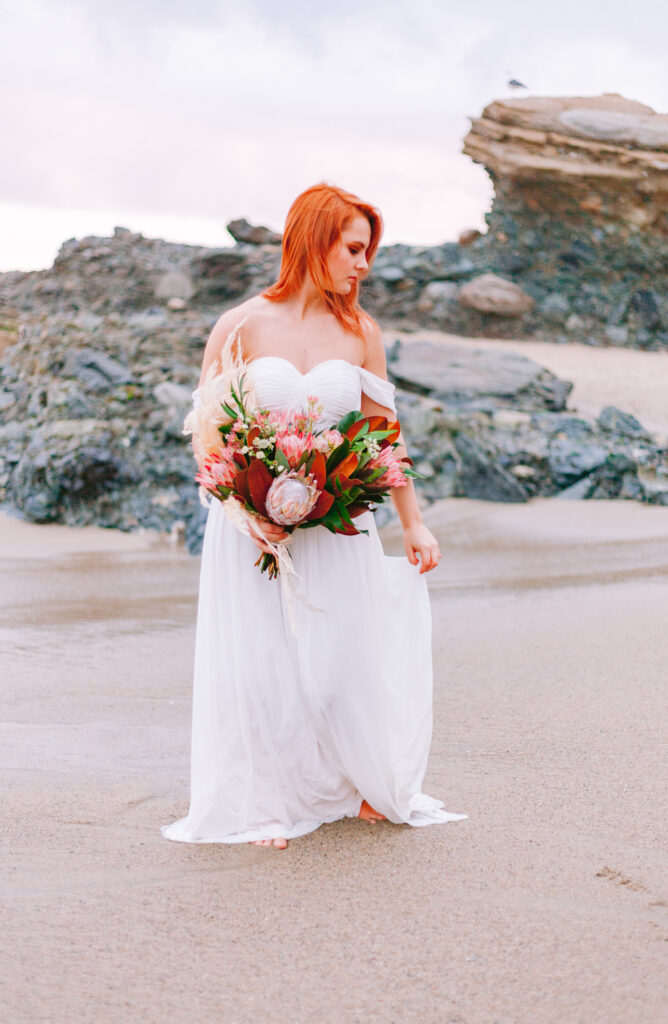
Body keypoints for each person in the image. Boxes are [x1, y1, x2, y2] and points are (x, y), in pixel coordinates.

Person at [161, 182, 467, 849]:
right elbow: (207, 434)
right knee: (260, 664)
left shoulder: (361, 332)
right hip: (251, 527)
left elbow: (385, 436)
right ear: (314, 239)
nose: (363, 265)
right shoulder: (240, 324)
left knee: (340, 662)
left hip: (339, 521)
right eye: (353, 248)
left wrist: (413, 521)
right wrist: (243, 511)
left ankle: (357, 781)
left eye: (367, 252)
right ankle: (266, 801)